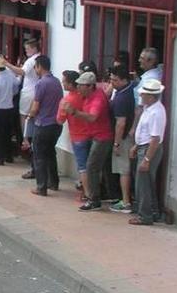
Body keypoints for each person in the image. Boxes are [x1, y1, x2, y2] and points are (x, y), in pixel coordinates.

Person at [68, 72, 114, 211]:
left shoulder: (97, 99)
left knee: (91, 167)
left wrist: (74, 112)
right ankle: (101, 195)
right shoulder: (92, 94)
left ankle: (94, 199)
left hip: (102, 137)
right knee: (96, 167)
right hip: (96, 136)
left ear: (89, 86)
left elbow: (93, 117)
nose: (78, 88)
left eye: (81, 85)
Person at [129, 79, 166, 225]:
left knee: (142, 184)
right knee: (146, 182)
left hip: (149, 150)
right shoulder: (148, 108)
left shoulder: (156, 112)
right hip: (143, 147)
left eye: (143, 94)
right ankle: (153, 212)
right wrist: (136, 146)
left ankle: (145, 215)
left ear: (151, 96)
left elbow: (155, 138)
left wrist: (147, 159)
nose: (141, 97)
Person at [4, 39, 41, 179]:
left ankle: (27, 147)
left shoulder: (32, 60)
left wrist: (6, 64)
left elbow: (22, 71)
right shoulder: (37, 59)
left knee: (26, 124)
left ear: (33, 48)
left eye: (27, 49)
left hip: (28, 95)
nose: (26, 52)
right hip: (31, 93)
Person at [27, 55, 63, 196]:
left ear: (40, 67)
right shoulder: (56, 81)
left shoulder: (41, 84)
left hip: (43, 124)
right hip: (56, 124)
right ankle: (53, 182)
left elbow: (36, 106)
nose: (35, 69)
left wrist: (30, 115)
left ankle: (41, 186)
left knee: (39, 155)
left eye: (35, 67)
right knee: (50, 153)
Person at [56, 70, 91, 201]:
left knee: (82, 167)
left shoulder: (66, 100)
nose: (62, 83)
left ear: (71, 84)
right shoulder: (86, 96)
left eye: (64, 81)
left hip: (78, 136)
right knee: (91, 165)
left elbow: (60, 120)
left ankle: (87, 193)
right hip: (92, 134)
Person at [108, 65, 137, 213]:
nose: (112, 83)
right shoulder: (131, 89)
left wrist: (116, 143)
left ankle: (125, 201)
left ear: (124, 80)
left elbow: (121, 123)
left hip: (124, 138)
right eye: (111, 79)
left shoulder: (121, 98)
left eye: (115, 80)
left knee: (123, 170)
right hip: (129, 135)